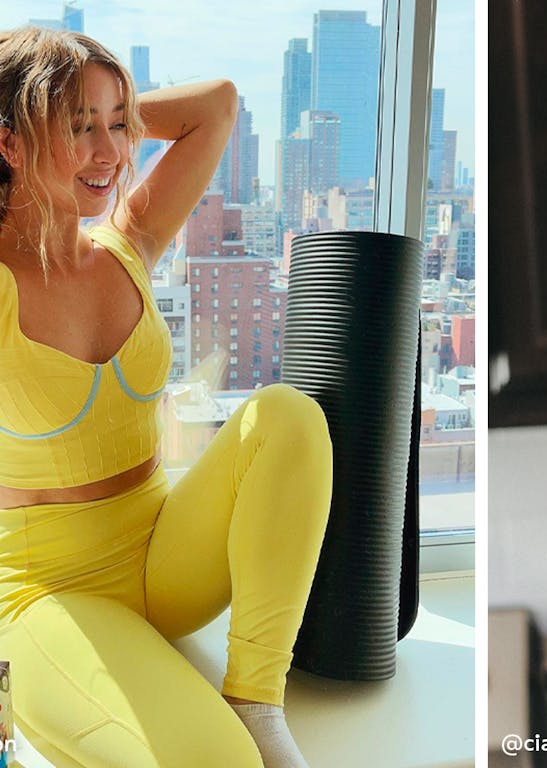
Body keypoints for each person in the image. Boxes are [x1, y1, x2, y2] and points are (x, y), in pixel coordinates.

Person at [0, 27, 331, 767]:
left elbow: (216, 106)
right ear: (11, 143)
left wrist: (100, 111)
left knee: (287, 416)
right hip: (48, 596)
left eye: (117, 127)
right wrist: (47, 115)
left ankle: (255, 699)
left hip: (162, 557)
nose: (112, 155)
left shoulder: (128, 242)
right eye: (77, 129)